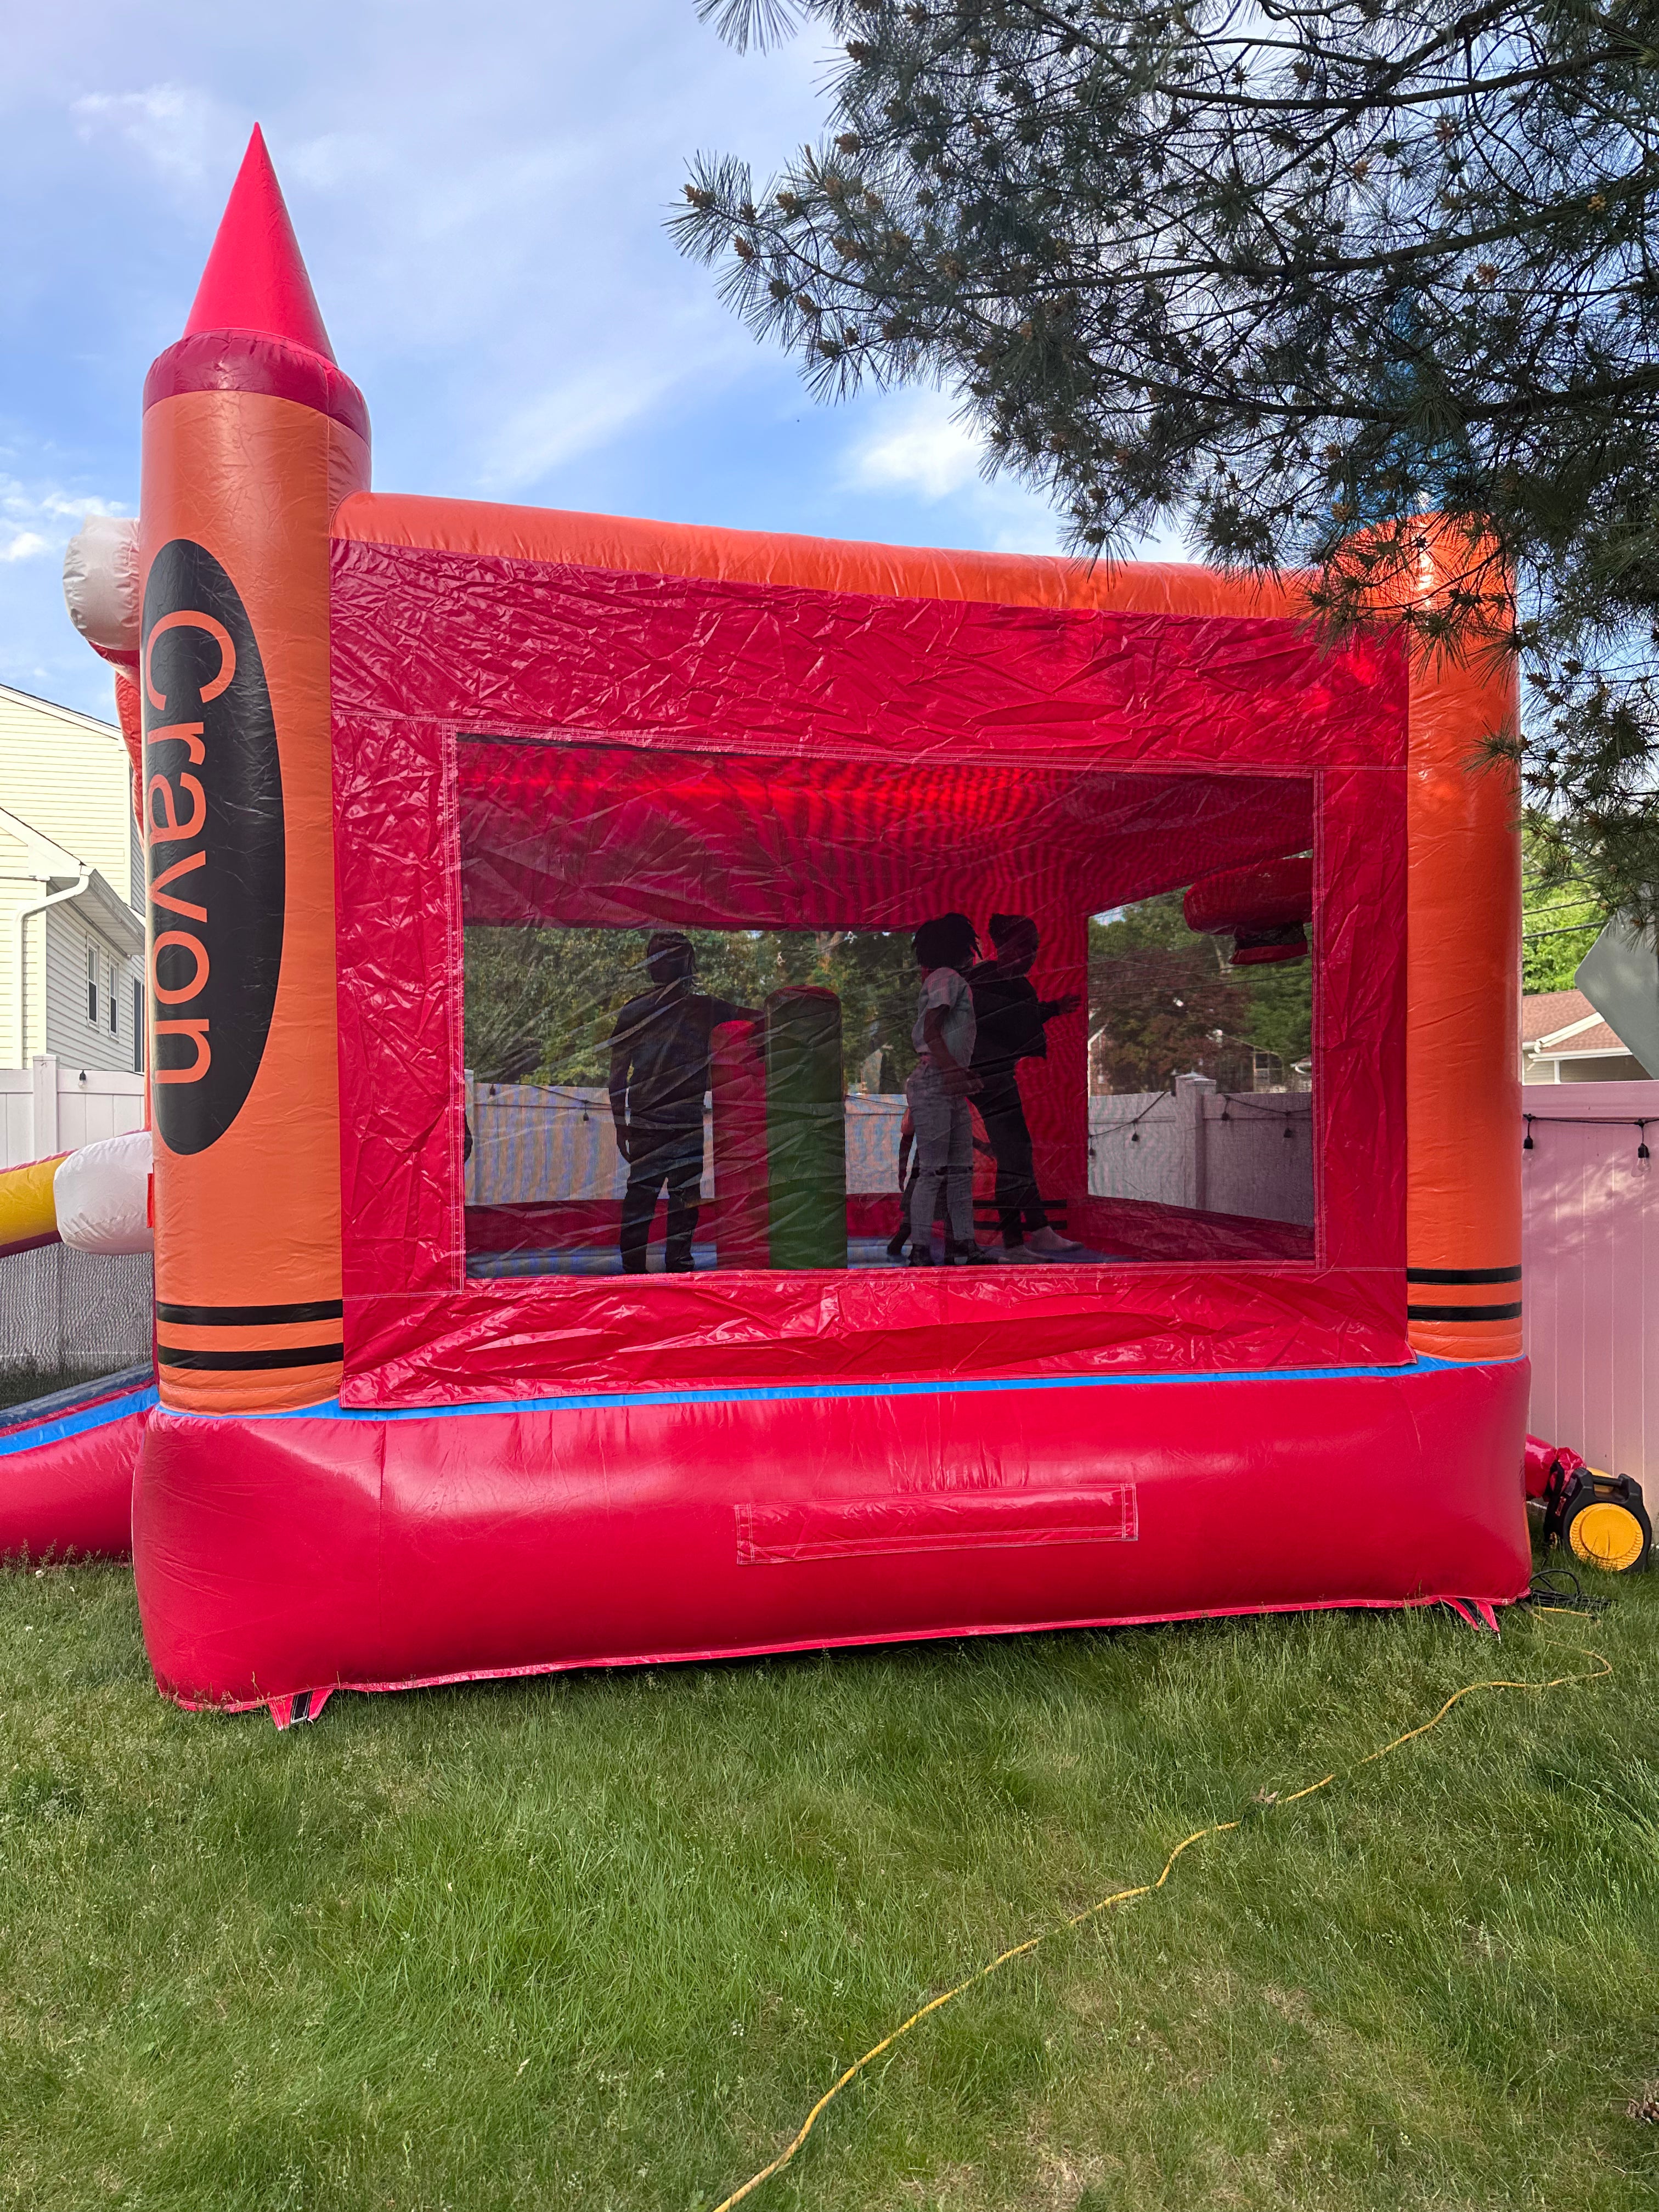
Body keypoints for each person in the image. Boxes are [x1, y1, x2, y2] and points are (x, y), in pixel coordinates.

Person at [608, 932, 755, 1273]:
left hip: (649, 1121)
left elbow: (617, 1079)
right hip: (682, 1121)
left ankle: (636, 1272)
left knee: (643, 1200)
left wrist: (621, 1125)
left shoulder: (638, 1010)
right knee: (682, 1200)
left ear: (652, 967)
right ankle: (678, 1269)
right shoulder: (706, 1008)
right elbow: (764, 1018)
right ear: (689, 965)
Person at [969, 913, 1084, 1259]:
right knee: (1013, 1155)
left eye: (1034, 948)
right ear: (1001, 946)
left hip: (1000, 1076)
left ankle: (1038, 1230)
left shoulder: (1017, 985)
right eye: (1023, 946)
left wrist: (1053, 1009)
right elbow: (997, 1017)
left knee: (1018, 1154)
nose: (1030, 955)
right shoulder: (979, 982)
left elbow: (1023, 1013)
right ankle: (1017, 1240)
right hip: (984, 1079)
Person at [905, 913, 997, 1266]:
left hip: (945, 1082)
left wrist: (961, 1074)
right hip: (936, 1082)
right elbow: (931, 1029)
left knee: (960, 1170)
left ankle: (963, 1243)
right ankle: (923, 1248)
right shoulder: (949, 978)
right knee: (935, 1171)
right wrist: (953, 1071)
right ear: (959, 948)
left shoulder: (948, 979)